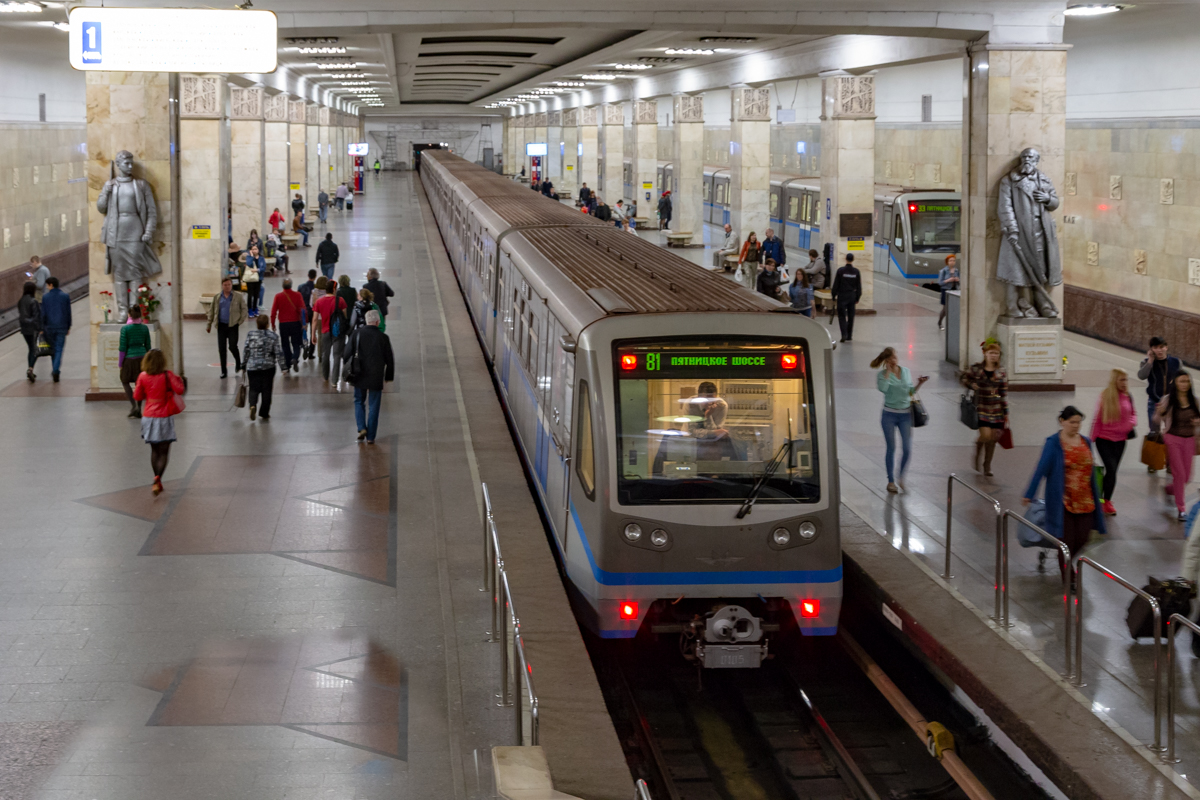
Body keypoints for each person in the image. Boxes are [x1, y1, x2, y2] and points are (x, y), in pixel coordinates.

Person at [1024, 406, 1106, 585]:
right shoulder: (1053, 443)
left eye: (1078, 422)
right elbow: (1041, 469)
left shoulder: (1086, 442)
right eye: (1072, 422)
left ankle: (1065, 560)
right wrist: (1030, 493)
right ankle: (1069, 577)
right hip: (1063, 501)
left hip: (1085, 499)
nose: (1076, 426)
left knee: (1083, 538)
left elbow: (1090, 470)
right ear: (1062, 422)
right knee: (1067, 542)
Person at [872, 347, 928, 493]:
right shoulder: (882, 375)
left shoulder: (906, 372)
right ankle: (891, 481)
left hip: (905, 415)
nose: (893, 361)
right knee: (891, 447)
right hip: (889, 415)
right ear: (886, 361)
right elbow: (883, 389)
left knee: (907, 449)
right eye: (890, 359)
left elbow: (910, 392)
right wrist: (888, 373)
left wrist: (919, 383)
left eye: (895, 357)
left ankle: (901, 477)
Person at [132, 349, 185, 496]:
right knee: (164, 451)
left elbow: (137, 395)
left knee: (154, 451)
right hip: (164, 417)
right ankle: (158, 478)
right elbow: (180, 390)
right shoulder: (167, 375)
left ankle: (156, 478)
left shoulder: (142, 376)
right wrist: (178, 379)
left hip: (148, 417)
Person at [1090, 368, 1137, 516]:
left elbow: (1134, 414)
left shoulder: (1128, 396)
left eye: (1126, 380)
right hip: (1104, 440)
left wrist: (1130, 423)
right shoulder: (1105, 396)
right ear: (1114, 381)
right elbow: (1097, 419)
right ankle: (1105, 502)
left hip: (1121, 440)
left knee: (1112, 471)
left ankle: (1103, 500)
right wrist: (1089, 442)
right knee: (1110, 468)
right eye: (1121, 380)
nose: (1124, 383)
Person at [343, 310, 394, 444]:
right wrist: (389, 375)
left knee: (359, 401)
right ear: (377, 322)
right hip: (376, 376)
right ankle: (371, 437)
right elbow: (390, 359)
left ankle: (361, 428)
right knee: (374, 406)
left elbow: (347, 353)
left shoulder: (356, 334)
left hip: (358, 374)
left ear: (366, 321)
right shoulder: (383, 337)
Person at [959, 338, 1009, 476]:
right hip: (981, 406)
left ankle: (987, 465)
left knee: (993, 438)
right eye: (991, 353)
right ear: (985, 354)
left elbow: (1003, 393)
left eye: (996, 353)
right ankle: (977, 452)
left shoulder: (1001, 372)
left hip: (996, 408)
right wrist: (971, 385)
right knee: (985, 435)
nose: (994, 356)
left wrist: (1006, 413)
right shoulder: (976, 369)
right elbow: (963, 378)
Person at [1154, 371, 1197, 521]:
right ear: (1176, 384)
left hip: (1190, 440)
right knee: (1179, 474)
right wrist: (1160, 412)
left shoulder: (1195, 401)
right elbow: (1156, 419)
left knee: (1187, 477)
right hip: (1173, 439)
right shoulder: (1168, 399)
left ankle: (1168, 489)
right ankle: (1181, 509)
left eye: (1186, 381)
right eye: (1181, 381)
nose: (1184, 384)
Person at [1138, 336, 1181, 439]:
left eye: (1162, 347)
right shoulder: (1147, 362)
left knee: (1172, 431)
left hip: (1170, 402)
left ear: (1166, 347)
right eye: (1156, 347)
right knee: (1154, 433)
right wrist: (1150, 361)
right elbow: (1141, 376)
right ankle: (1155, 452)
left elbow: (1181, 380)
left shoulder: (1176, 362)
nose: (1159, 350)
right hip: (1154, 402)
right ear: (1151, 349)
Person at [243, 314, 283, 421]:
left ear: (257, 324)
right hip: (268, 367)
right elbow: (278, 353)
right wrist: (283, 367)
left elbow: (246, 350)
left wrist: (243, 364)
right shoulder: (273, 336)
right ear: (267, 324)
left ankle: (252, 405)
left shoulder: (251, 335)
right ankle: (264, 412)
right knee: (267, 389)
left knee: (253, 388)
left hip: (252, 366)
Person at [205, 276, 247, 378]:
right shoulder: (217, 297)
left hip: (233, 325)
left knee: (232, 346)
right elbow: (211, 311)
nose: (227, 287)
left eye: (229, 284)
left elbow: (244, 309)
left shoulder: (238, 296)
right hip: (221, 326)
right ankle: (224, 371)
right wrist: (209, 324)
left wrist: (239, 321)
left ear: (231, 285)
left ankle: (238, 362)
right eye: (225, 285)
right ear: (222, 286)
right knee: (222, 349)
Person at [313, 281, 349, 388]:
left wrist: (313, 334)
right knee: (337, 356)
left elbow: (315, 319)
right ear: (334, 289)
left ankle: (325, 376)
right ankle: (334, 380)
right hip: (337, 332)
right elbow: (344, 316)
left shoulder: (319, 301)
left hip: (325, 331)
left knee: (325, 354)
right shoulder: (340, 300)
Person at [119, 305, 151, 418]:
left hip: (129, 358)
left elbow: (122, 348)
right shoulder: (144, 328)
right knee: (139, 383)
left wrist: (120, 363)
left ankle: (133, 406)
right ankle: (138, 406)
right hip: (142, 359)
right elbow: (148, 346)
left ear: (129, 315)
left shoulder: (125, 329)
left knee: (125, 380)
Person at [270, 278, 306, 374]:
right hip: (295, 323)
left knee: (285, 344)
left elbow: (273, 311)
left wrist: (273, 323)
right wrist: (304, 323)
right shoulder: (297, 295)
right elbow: (303, 309)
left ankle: (288, 364)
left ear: (282, 286)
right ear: (291, 285)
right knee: (296, 343)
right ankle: (294, 358)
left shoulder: (278, 296)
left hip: (283, 324)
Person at [40, 276, 71, 383]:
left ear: (51, 285)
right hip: (62, 326)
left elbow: (43, 314)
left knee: (53, 350)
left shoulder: (45, 297)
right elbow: (68, 313)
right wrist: (68, 326)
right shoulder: (65, 296)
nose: (47, 287)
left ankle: (55, 369)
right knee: (59, 349)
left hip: (49, 327)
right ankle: (56, 370)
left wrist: (42, 327)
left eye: (47, 285)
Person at [830, 253, 862, 343]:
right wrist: (857, 297)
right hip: (852, 295)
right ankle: (849, 335)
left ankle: (843, 334)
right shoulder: (856, 272)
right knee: (851, 316)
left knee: (842, 316)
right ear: (853, 259)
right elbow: (859, 286)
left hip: (842, 295)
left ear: (845, 259)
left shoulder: (841, 271)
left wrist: (833, 295)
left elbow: (836, 284)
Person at [18, 281, 41, 383]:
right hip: (32, 329)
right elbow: (36, 317)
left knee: (30, 348)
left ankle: (30, 368)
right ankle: (30, 369)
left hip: (24, 329)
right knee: (34, 349)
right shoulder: (33, 301)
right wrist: (40, 329)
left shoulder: (21, 300)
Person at [298, 269, 318, 360]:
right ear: (315, 276)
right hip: (313, 311)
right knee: (313, 332)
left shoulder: (301, 287)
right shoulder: (316, 288)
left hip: (303, 311)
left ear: (307, 275)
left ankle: (303, 345)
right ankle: (311, 352)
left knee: (303, 330)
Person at [937, 254, 960, 331]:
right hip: (946, 290)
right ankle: (940, 322)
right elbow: (940, 282)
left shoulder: (956, 270)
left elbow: (959, 280)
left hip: (954, 290)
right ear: (947, 262)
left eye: (953, 260)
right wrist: (948, 280)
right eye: (950, 261)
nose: (952, 262)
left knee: (954, 308)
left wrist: (957, 279)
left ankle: (952, 324)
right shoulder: (943, 271)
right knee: (945, 309)